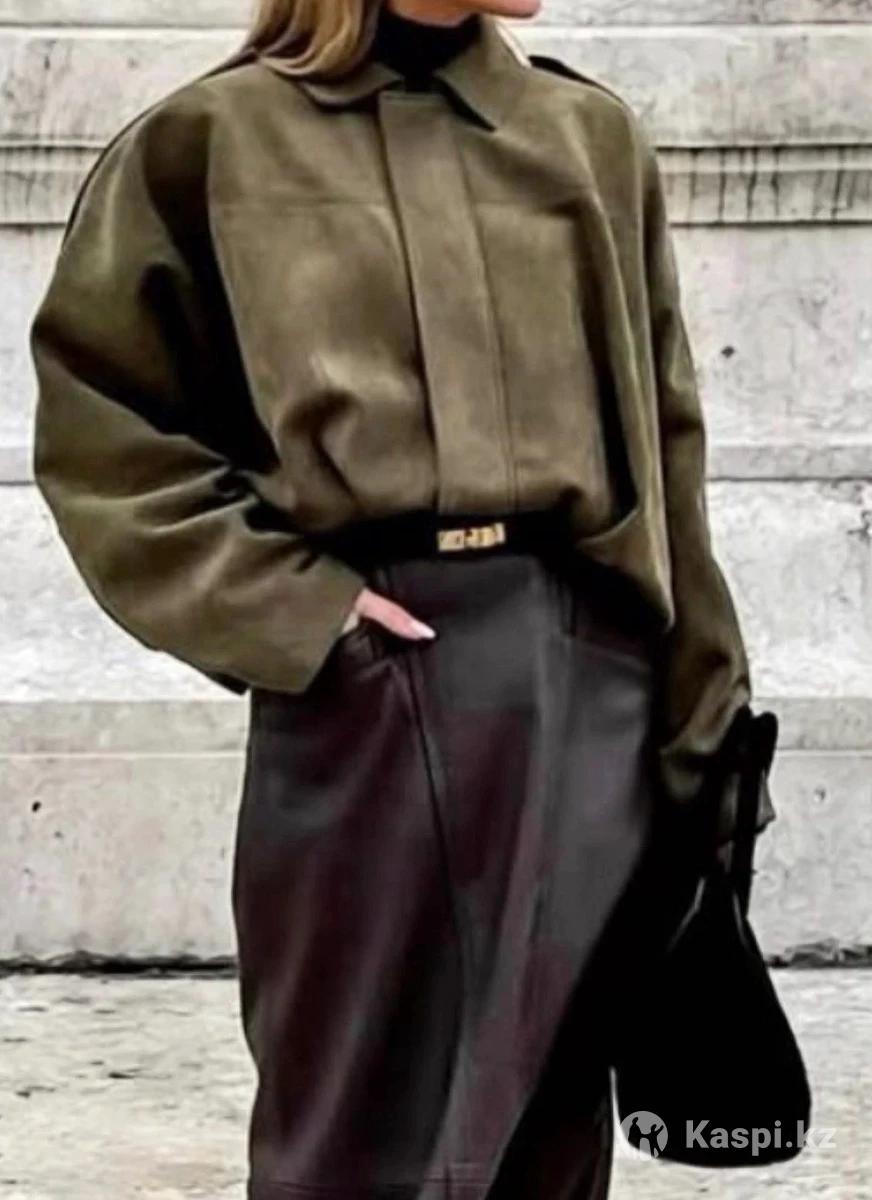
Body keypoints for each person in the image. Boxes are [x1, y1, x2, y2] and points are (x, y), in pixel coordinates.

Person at [28, 0, 776, 1196]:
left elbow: (665, 454)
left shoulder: (586, 137)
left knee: (548, 1133)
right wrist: (300, 612)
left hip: (588, 684)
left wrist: (705, 728)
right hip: (367, 686)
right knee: (348, 1127)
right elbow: (108, 436)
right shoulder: (210, 143)